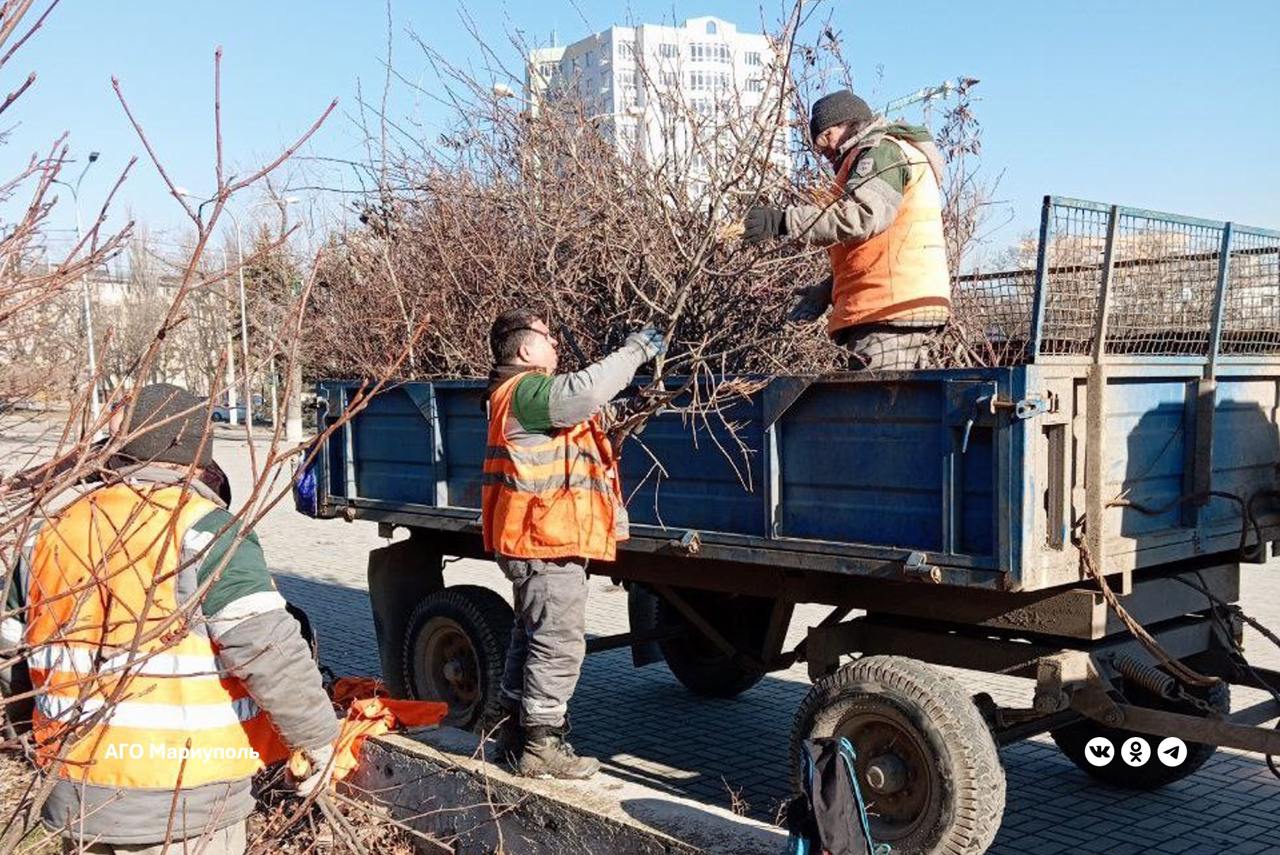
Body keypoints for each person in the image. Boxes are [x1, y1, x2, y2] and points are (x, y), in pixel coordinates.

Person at [1, 383, 338, 854]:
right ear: (199, 457)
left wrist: (30, 737)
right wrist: (321, 738)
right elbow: (267, 646)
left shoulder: (50, 532)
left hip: (76, 793)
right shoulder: (202, 531)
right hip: (185, 801)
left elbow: (13, 655)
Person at [482, 310, 664, 779]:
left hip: (537, 540)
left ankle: (511, 733)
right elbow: (583, 392)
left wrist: (637, 406)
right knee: (558, 645)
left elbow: (589, 420)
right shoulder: (526, 391)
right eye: (547, 337)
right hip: (545, 541)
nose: (556, 345)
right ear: (524, 350)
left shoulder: (528, 401)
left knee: (532, 638)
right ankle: (543, 749)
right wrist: (635, 352)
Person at [742, 89, 952, 371]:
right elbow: (880, 248)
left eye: (825, 136)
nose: (822, 149)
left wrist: (782, 221)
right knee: (904, 413)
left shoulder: (880, 152)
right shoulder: (887, 153)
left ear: (849, 123)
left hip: (887, 313)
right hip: (901, 309)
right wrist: (829, 290)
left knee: (874, 412)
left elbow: (862, 217)